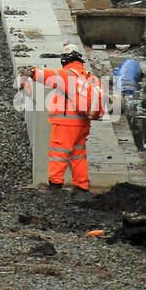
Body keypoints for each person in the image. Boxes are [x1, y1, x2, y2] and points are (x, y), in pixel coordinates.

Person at [22, 43, 106, 191]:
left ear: (65, 60)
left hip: (66, 123)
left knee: (58, 153)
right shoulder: (88, 77)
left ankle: (55, 185)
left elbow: (48, 75)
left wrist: (32, 72)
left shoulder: (67, 74)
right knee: (78, 154)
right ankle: (81, 187)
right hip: (83, 123)